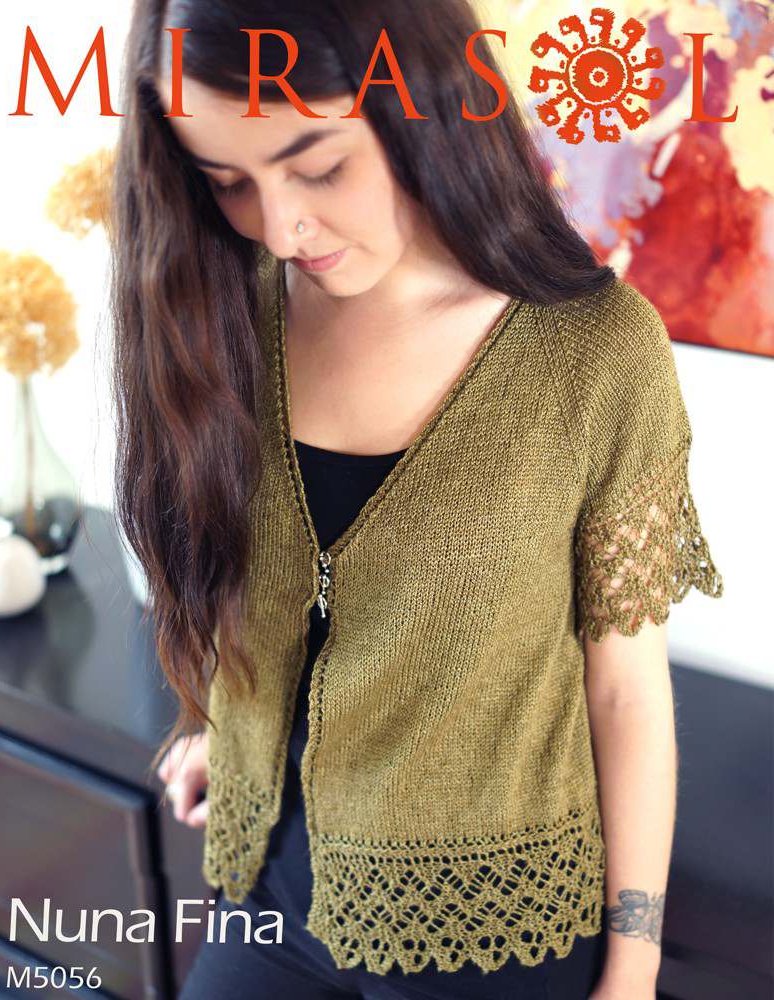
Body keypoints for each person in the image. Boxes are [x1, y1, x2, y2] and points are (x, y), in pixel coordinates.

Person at [108, 2, 724, 998]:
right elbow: (263, 585)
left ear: (422, 107)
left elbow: (624, 690)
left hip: (493, 930)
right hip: (267, 886)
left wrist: (634, 962)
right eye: (228, 180)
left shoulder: (594, 353)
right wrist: (227, 721)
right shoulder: (229, 308)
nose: (281, 225)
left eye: (317, 166)